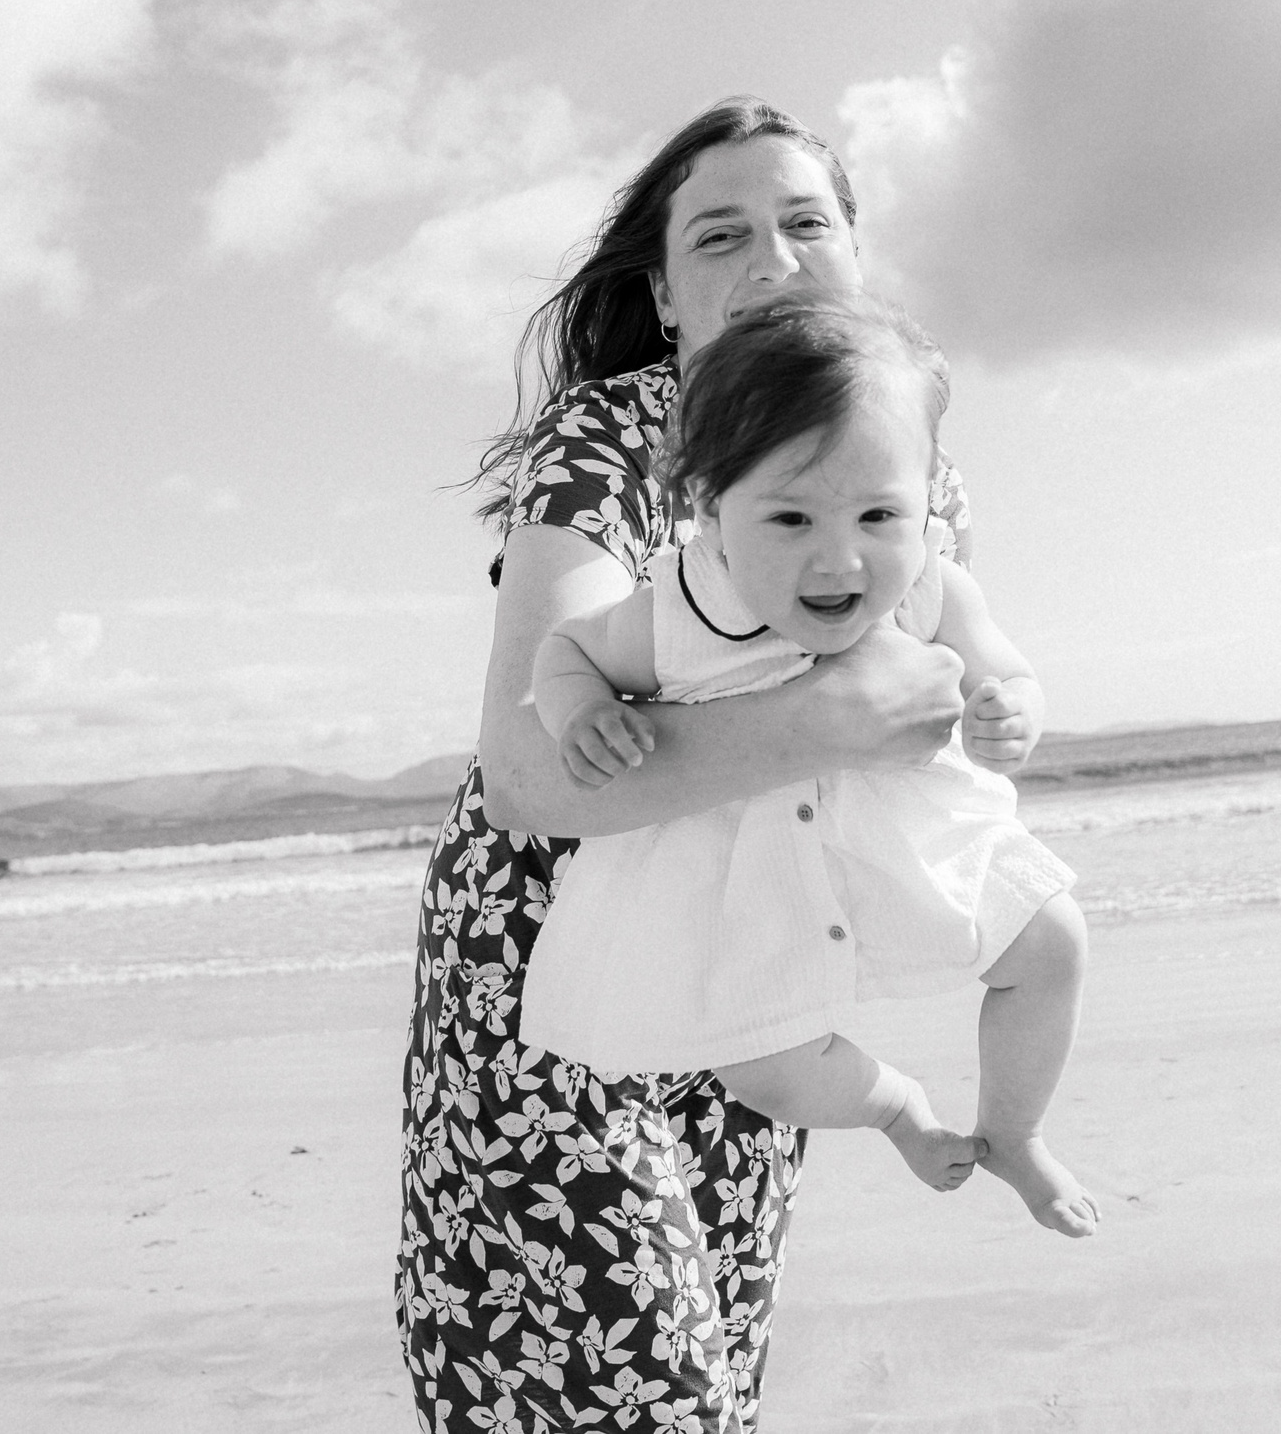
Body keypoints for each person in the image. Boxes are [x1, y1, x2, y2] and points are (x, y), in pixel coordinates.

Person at [398, 98, 974, 1433]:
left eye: (804, 223)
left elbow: (931, 693)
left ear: (853, 252)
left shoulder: (904, 448)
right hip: (557, 973)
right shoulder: (614, 438)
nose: (770, 257)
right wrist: (832, 716)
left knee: (710, 1360)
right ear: (662, 291)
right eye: (721, 235)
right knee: (625, 1394)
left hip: (751, 951)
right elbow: (530, 774)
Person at [521, 300, 1095, 1236]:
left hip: (902, 840)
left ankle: (1016, 1131)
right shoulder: (677, 609)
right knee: (767, 1067)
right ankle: (899, 1111)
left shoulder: (930, 583)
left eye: (880, 513)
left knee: (1053, 940)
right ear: (708, 505)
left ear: (928, 495)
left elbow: (1006, 666)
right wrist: (581, 708)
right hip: (749, 878)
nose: (840, 556)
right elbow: (563, 652)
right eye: (788, 516)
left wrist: (1011, 709)